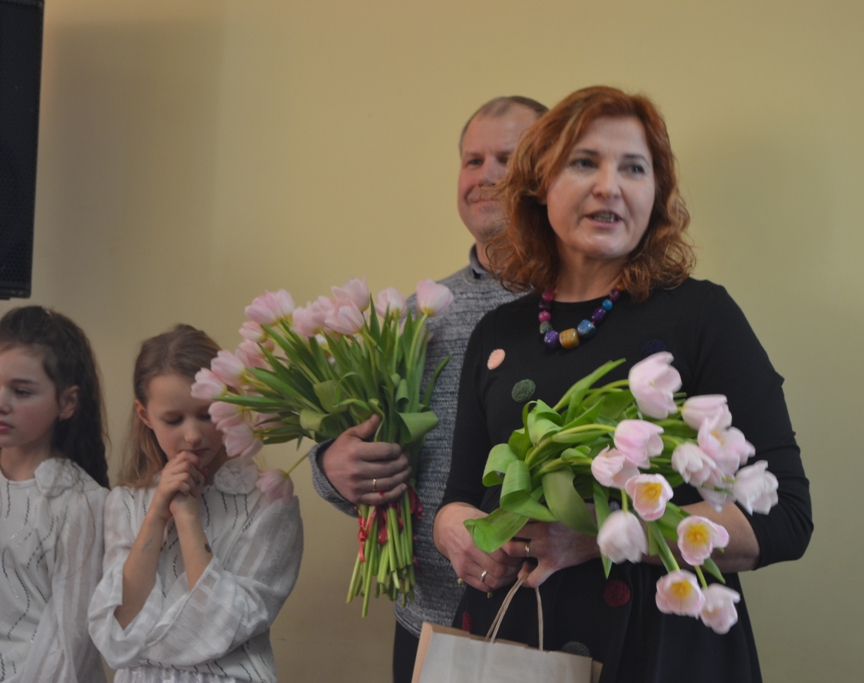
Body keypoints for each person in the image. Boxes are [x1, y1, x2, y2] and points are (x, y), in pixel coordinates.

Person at [434, 86, 814, 682]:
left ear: (655, 194)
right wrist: (453, 532)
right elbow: (459, 496)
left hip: (658, 652)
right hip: (517, 644)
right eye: (584, 163)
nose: (610, 186)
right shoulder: (498, 331)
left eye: (634, 168)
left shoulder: (702, 316)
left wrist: (602, 536)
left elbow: (787, 517)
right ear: (540, 186)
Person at [308, 95, 547, 681]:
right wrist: (332, 467)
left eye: (506, 159)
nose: (485, 175)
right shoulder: (417, 315)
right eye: (472, 160)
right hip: (430, 623)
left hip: (549, 619)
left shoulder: (579, 308)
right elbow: (371, 445)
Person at [88, 325, 303, 683]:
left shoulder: (268, 502)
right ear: (145, 415)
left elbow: (226, 625)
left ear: (231, 403)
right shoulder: (125, 501)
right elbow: (117, 633)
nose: (192, 435)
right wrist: (157, 513)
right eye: (173, 420)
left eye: (206, 414)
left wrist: (187, 517)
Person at [0, 306, 109, 683]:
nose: (2, 402)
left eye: (21, 391)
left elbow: (71, 644)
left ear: (67, 403)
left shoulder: (81, 502)